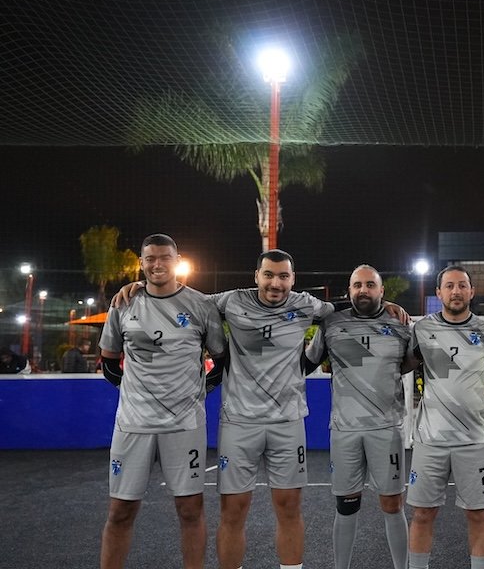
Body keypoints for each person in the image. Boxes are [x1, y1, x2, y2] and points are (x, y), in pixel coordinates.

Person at [113, 252, 408, 569]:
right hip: (239, 423)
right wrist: (145, 285)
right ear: (256, 276)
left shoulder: (305, 305)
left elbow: (346, 307)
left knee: (289, 507)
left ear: (292, 279)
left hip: (287, 422)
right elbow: (184, 301)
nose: (275, 283)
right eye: (268, 275)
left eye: (283, 276)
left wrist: (384, 306)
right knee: (234, 510)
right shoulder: (231, 301)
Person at [98, 233, 227, 569]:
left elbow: (220, 359)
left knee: (190, 510)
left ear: (177, 261)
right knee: (120, 510)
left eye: (165, 257)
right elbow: (109, 361)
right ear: (141, 262)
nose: (158, 264)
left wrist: (198, 392)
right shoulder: (123, 303)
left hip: (185, 424)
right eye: (150, 258)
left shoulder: (200, 305)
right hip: (133, 423)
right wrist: (135, 393)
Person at [304, 264, 414, 569]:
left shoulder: (400, 325)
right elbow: (307, 363)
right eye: (357, 285)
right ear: (349, 290)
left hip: (386, 428)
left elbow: (410, 364)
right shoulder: (331, 324)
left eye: (370, 285)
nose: (363, 290)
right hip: (345, 429)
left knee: (392, 504)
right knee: (346, 505)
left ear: (381, 290)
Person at [403, 265, 484, 569]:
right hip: (430, 440)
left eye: (462, 285)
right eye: (449, 286)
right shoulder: (421, 329)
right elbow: (404, 364)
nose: (456, 291)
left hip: (474, 440)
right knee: (422, 513)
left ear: (472, 291)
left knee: (478, 514)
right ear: (439, 293)